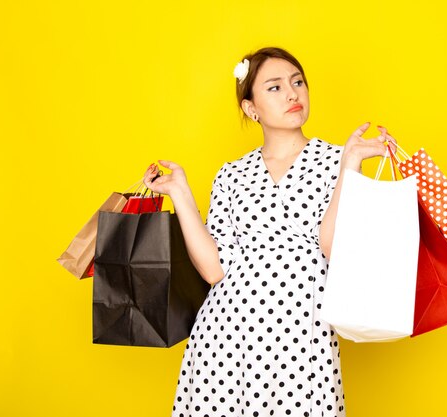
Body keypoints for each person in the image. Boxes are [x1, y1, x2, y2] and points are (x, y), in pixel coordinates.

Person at [144, 47, 396, 417]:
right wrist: (181, 192)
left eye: (297, 82)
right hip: (226, 335)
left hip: (301, 330)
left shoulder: (337, 159)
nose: (293, 94)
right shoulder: (231, 174)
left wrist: (351, 164)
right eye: (275, 87)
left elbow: (331, 246)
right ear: (251, 108)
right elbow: (215, 270)